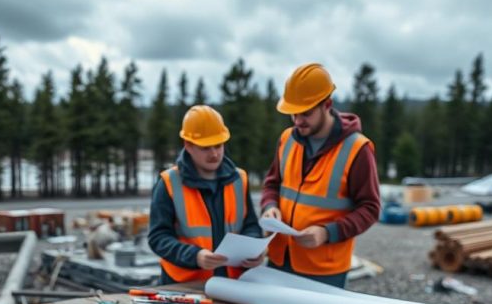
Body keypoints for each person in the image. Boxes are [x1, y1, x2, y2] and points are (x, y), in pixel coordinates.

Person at [261, 63, 381, 288]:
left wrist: (327, 233)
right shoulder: (287, 139)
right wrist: (269, 207)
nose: (297, 121)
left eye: (305, 113)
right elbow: (271, 185)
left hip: (324, 270)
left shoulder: (357, 149)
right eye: (293, 114)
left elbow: (370, 209)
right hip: (279, 258)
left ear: (327, 105)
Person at [148, 105, 264, 284]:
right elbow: (158, 238)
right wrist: (195, 256)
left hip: (232, 283)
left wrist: (253, 250)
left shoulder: (239, 179)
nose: (214, 154)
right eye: (206, 148)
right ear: (188, 146)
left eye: (218, 146)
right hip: (185, 286)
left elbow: (251, 226)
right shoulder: (169, 183)